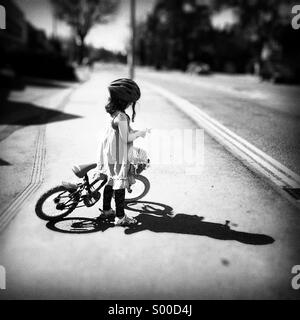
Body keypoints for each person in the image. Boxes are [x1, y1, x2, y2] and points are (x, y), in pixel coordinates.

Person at [96, 78, 149, 226]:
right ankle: (120, 217)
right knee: (119, 185)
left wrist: (136, 131)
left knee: (110, 180)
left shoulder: (113, 112)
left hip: (109, 153)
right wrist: (140, 133)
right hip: (118, 156)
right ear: (126, 101)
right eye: (131, 101)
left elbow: (119, 132)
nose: (132, 104)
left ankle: (106, 210)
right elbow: (126, 138)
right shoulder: (122, 117)